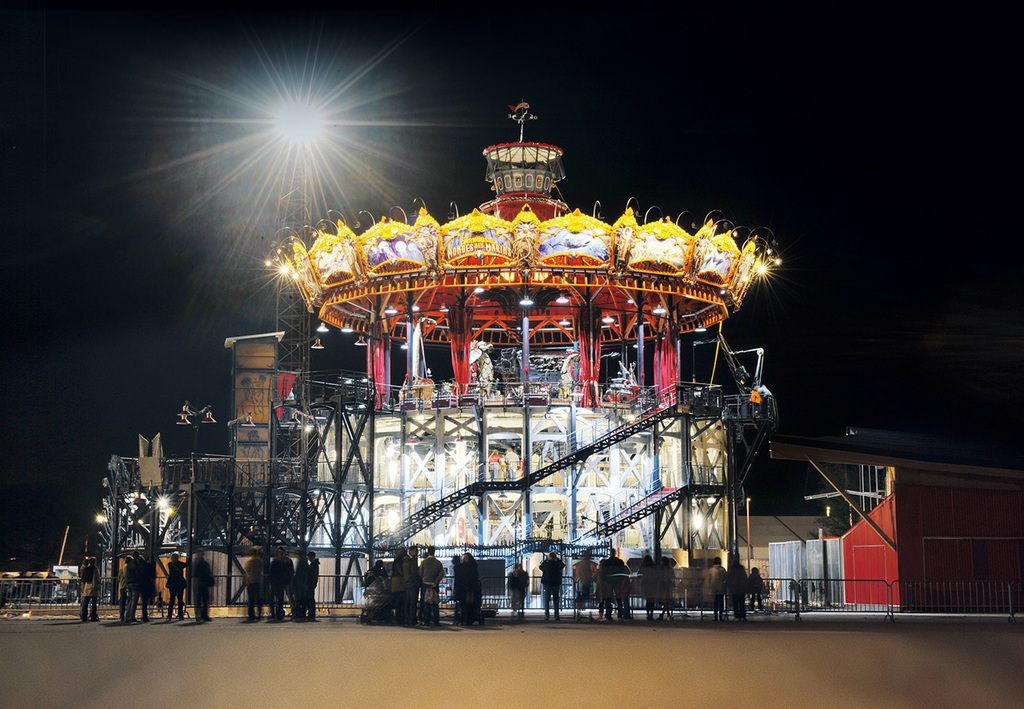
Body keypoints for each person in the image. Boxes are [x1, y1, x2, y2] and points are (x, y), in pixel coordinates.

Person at [418, 546, 445, 626]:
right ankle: (436, 620)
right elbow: (441, 574)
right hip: (434, 585)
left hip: (425, 584)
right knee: (435, 603)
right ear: (434, 552)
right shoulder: (438, 562)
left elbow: (420, 573)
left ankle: (427, 621)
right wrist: (435, 582)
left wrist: (423, 580)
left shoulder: (424, 562)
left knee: (426, 603)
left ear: (428, 552)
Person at [268, 545, 293, 621]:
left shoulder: (275, 561)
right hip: (283, 581)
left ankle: (274, 614)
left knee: (275, 599)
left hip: (277, 582)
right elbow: (291, 571)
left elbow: (272, 572)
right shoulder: (287, 561)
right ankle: (279, 614)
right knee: (281, 599)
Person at [539, 551, 565, 620]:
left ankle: (546, 615)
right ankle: (556, 615)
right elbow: (562, 565)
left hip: (547, 583)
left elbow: (540, 567)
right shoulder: (557, 564)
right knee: (556, 599)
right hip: (556, 583)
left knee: (547, 600)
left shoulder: (546, 564)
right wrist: (558, 559)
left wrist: (545, 560)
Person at [573, 550, 597, 621]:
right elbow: (588, 573)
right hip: (586, 583)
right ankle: (588, 615)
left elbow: (579, 573)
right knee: (588, 599)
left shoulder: (581, 563)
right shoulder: (588, 564)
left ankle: (578, 614)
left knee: (580, 599)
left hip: (581, 582)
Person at [190, 550, 213, 622]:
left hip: (197, 584)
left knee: (197, 600)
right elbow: (208, 573)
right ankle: (204, 615)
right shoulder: (205, 563)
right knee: (205, 600)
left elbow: (193, 574)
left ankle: (198, 615)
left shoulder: (194, 563)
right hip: (204, 583)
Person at [401, 546, 421, 626]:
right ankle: (411, 619)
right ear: (411, 551)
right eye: (416, 551)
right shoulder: (411, 560)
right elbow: (413, 572)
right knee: (412, 602)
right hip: (412, 583)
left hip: (408, 583)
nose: (417, 552)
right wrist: (417, 580)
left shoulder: (406, 560)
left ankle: (408, 619)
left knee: (408, 602)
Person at [462, 552, 483, 625]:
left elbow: (474, 577)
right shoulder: (466, 566)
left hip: (471, 587)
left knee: (471, 603)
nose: (465, 559)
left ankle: (470, 618)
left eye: (466, 557)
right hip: (467, 587)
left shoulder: (472, 566)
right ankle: (468, 618)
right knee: (467, 604)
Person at [725, 555, 748, 621]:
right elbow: (745, 578)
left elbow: (729, 579)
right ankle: (743, 616)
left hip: (734, 588)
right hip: (741, 589)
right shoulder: (742, 570)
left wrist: (729, 587)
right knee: (741, 603)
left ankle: (737, 616)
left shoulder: (731, 570)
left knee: (735, 603)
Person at [166, 552, 187, 620]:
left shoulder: (170, 564)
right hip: (180, 583)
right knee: (180, 600)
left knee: (172, 599)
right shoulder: (180, 564)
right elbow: (187, 564)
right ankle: (180, 615)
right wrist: (189, 558)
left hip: (172, 583)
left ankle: (169, 615)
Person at [136, 553, 156, 623]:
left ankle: (144, 616)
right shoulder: (148, 566)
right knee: (146, 601)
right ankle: (145, 616)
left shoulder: (139, 568)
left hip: (142, 586)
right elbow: (153, 575)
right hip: (148, 585)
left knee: (144, 602)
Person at [79, 556, 100, 622]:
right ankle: (93, 616)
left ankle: (84, 616)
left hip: (86, 586)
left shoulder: (86, 568)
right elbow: (97, 577)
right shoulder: (95, 569)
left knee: (85, 603)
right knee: (94, 603)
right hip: (93, 587)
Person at [244, 547, 263, 621]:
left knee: (251, 600)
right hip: (257, 581)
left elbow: (247, 570)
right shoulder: (259, 561)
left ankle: (251, 614)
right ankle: (259, 613)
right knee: (258, 599)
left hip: (251, 582)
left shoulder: (249, 561)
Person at [390, 549, 408, 625]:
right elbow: (400, 571)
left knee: (398, 601)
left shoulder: (396, 561)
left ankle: (398, 617)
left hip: (395, 583)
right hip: (399, 583)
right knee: (400, 601)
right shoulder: (400, 562)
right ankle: (400, 618)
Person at [639, 555, 658, 620]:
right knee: (652, 600)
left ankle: (647, 613)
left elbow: (639, 573)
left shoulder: (643, 566)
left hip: (646, 584)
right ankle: (651, 613)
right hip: (653, 584)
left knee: (647, 599)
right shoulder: (653, 566)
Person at [291, 550, 309, 620]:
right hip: (302, 584)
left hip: (299, 584)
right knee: (302, 599)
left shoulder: (301, 561)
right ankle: (302, 613)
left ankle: (298, 613)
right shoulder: (304, 561)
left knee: (298, 599)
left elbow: (299, 573)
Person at [123, 555, 140, 623]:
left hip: (128, 584)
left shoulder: (125, 567)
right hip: (134, 583)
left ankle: (127, 616)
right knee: (134, 601)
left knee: (130, 600)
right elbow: (136, 574)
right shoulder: (132, 566)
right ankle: (131, 616)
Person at [305, 551, 319, 620]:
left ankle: (311, 614)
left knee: (310, 600)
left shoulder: (313, 565)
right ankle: (311, 614)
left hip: (310, 585)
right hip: (312, 584)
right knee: (311, 599)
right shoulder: (314, 564)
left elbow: (311, 575)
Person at [451, 554, 465, 625]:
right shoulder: (462, 566)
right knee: (462, 604)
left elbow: (457, 578)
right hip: (463, 587)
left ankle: (457, 619)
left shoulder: (456, 567)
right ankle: (462, 619)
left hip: (458, 587)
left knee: (457, 605)